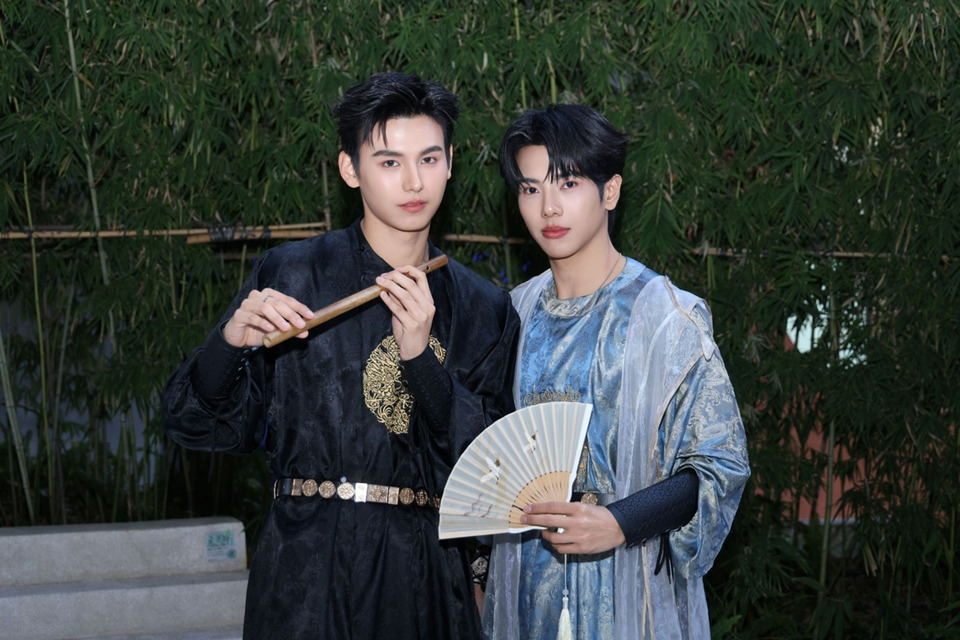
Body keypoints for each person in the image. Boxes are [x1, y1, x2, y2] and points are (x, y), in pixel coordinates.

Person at [162, 72, 519, 640]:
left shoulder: (484, 308)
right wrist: (230, 343)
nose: (413, 181)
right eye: (389, 162)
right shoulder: (293, 274)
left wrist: (421, 360)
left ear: (451, 163)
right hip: (306, 566)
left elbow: (494, 472)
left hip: (425, 578)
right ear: (350, 169)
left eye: (429, 159)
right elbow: (196, 423)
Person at [480, 104, 750, 640]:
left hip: (630, 589)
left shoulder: (664, 318)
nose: (549, 207)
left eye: (568, 183)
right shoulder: (512, 315)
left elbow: (719, 466)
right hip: (526, 590)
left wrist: (621, 522)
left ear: (610, 191)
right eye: (530, 189)